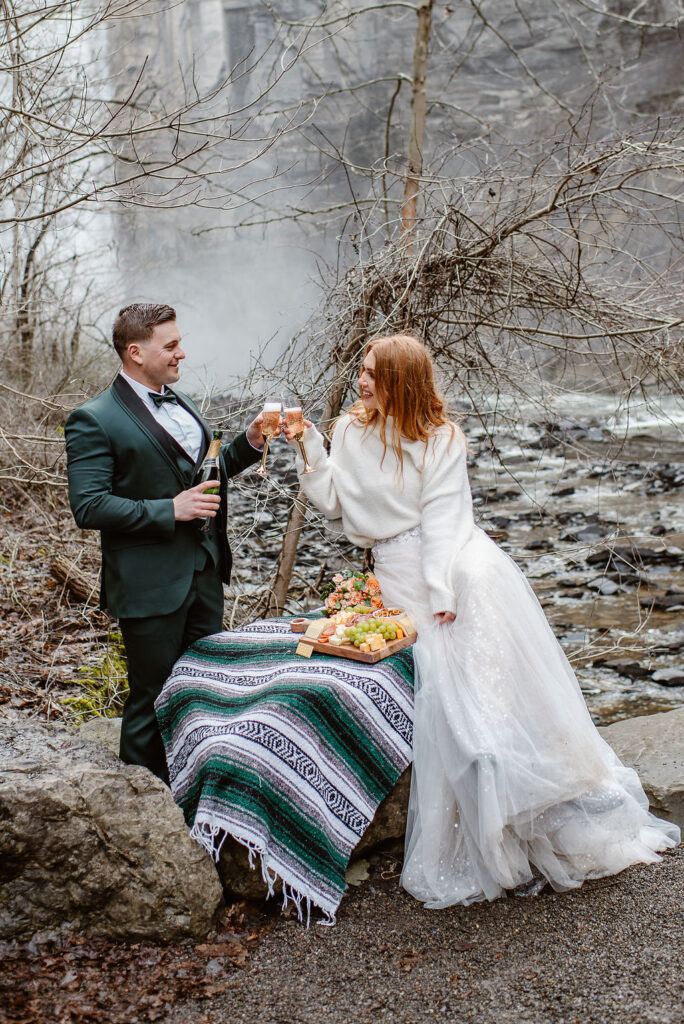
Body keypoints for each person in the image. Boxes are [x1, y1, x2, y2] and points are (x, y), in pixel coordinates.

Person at [284, 333, 679, 908]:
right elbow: (332, 502)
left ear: (402, 383)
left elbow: (445, 519)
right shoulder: (348, 429)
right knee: (450, 703)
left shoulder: (441, 438)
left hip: (454, 567)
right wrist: (307, 445)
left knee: (477, 698)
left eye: (373, 374)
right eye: (361, 371)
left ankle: (527, 806)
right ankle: (493, 825)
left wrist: (442, 589)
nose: (361, 382)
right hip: (394, 569)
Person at [65, 303, 268, 783]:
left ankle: (195, 790)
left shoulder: (181, 402)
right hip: (149, 585)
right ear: (136, 352)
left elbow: (202, 477)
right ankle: (141, 806)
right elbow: (88, 507)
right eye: (171, 345)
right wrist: (168, 510)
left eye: (180, 343)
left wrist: (250, 441)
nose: (182, 353)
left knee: (204, 689)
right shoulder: (93, 418)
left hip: (204, 572)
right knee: (151, 698)